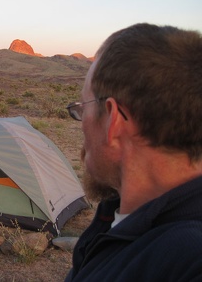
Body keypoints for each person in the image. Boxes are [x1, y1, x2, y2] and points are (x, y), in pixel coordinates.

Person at [64, 23, 202, 281]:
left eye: (82, 108)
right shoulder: (122, 223)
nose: (81, 122)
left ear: (113, 122)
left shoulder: (190, 263)